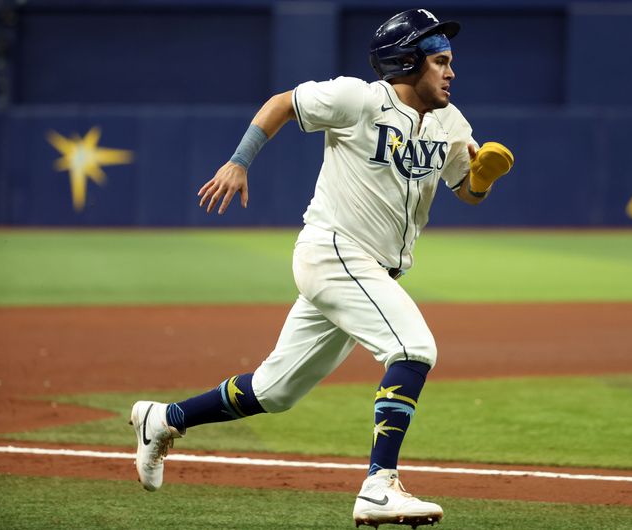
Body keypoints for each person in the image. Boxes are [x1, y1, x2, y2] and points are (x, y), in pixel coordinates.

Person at [130, 8, 514, 528]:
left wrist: (483, 179)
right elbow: (282, 104)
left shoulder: (452, 122)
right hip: (334, 251)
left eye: (450, 62)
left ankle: (163, 418)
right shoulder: (357, 98)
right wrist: (239, 160)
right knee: (413, 347)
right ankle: (379, 486)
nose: (451, 72)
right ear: (407, 61)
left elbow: (465, 192)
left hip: (372, 271)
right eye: (440, 61)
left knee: (274, 391)